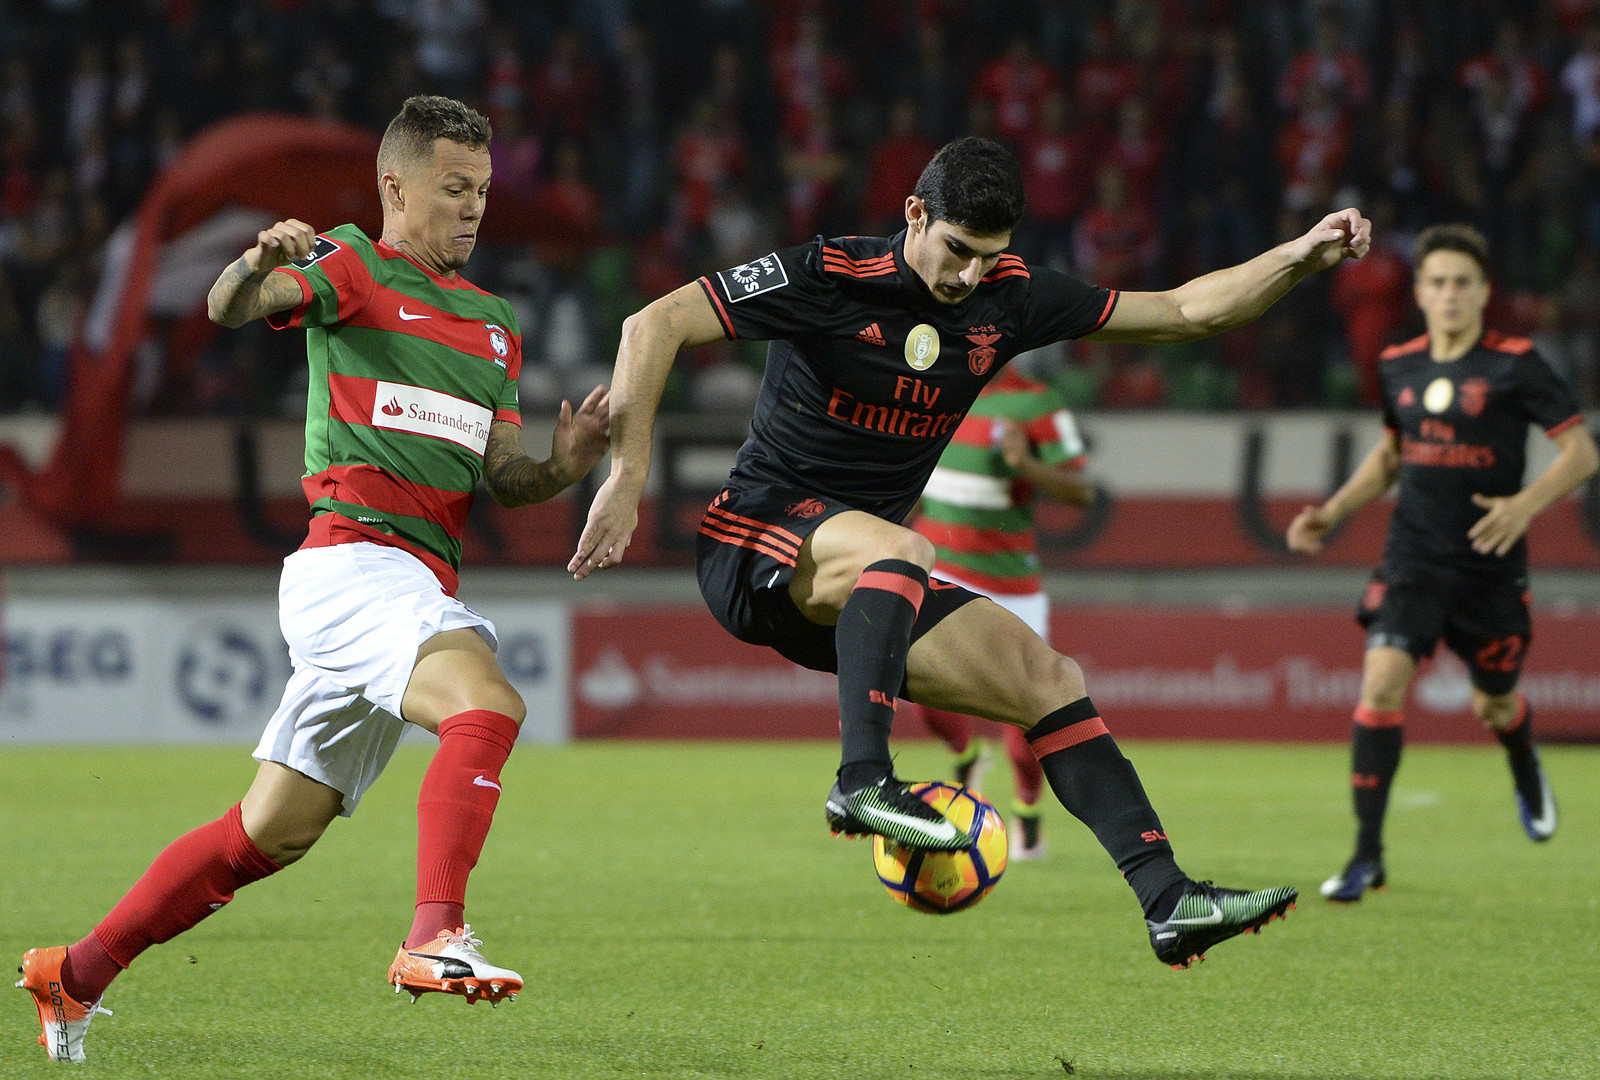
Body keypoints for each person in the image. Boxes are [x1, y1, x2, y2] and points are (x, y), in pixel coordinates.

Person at [570, 136, 1371, 968]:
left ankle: (1169, 900)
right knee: (904, 548)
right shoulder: (829, 274)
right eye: (955, 250)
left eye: (987, 259)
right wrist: (628, 477)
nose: (966, 277)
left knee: (1050, 682)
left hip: (859, 588)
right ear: (915, 213)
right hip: (753, 540)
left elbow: (1182, 311)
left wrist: (1299, 256)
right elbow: (651, 322)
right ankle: (862, 782)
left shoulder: (1010, 298)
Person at [17, 95, 611, 1062]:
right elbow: (231, 308)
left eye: (484, 192)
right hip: (352, 565)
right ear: (395, 187)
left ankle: (73, 973)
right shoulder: (354, 266)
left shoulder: (495, 325)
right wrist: (258, 262)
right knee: (487, 705)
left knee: (268, 834)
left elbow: (504, 477)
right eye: (455, 189)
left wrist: (568, 463)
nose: (473, 209)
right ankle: (435, 934)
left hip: (413, 581)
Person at [1287, 223, 1597, 903]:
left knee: (1495, 705)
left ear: (1484, 293)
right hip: (1413, 559)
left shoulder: (1517, 363)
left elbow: (1583, 455)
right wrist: (1332, 512)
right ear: (1420, 294)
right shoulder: (1400, 364)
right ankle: (1366, 856)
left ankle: (1521, 758)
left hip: (1489, 567)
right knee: (1381, 685)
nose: (1450, 294)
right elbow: (1393, 455)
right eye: (1438, 283)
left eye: (1462, 282)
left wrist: (1523, 505)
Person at [906, 366, 1097, 860]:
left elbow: (1082, 491)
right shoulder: (931, 389)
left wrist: (1024, 463)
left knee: (1027, 718)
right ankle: (966, 757)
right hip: (940, 568)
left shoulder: (1036, 404)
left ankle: (1027, 813)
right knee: (922, 689)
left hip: (1010, 583)